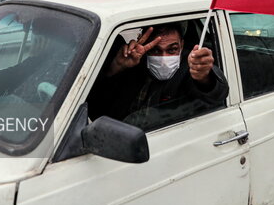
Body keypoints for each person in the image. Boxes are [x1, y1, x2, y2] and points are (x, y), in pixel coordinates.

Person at [87, 23, 229, 130]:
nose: (163, 58)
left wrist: (204, 76)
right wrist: (115, 68)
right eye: (155, 50)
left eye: (172, 50)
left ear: (182, 45)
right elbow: (96, 106)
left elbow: (216, 93)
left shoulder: (190, 68)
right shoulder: (134, 65)